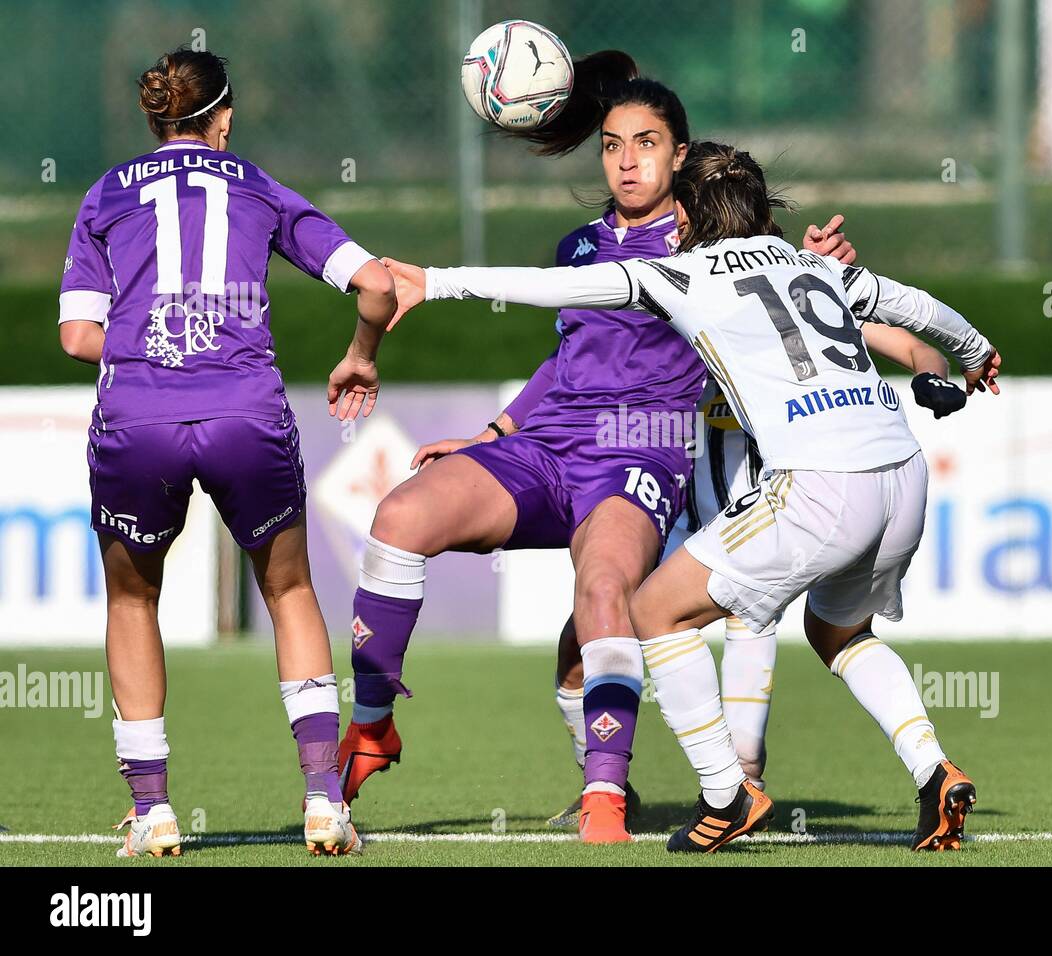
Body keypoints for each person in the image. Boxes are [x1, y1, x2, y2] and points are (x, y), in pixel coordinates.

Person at [381, 140, 1001, 853]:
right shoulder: (817, 267)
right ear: (763, 210)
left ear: (683, 213)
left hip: (821, 485)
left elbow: (559, 288)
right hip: (904, 473)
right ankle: (934, 773)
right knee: (840, 633)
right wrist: (977, 352)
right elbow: (913, 306)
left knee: (653, 608)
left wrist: (436, 281)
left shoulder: (680, 272)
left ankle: (725, 794)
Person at [340, 53, 854, 843]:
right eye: (612, 145)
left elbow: (786, 293)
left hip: (640, 451)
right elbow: (564, 359)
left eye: (646, 143)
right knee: (401, 515)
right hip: (546, 444)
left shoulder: (711, 240)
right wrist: (492, 434)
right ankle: (374, 723)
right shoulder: (578, 246)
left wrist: (821, 265)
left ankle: (606, 801)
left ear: (681, 156)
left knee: (603, 595)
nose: (626, 160)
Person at [58, 48, 395, 857]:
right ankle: (323, 802)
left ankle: (154, 812)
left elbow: (76, 338)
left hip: (138, 417)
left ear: (153, 121)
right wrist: (361, 353)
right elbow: (377, 282)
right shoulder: (259, 186)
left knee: (134, 602)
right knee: (288, 591)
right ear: (225, 117)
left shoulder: (105, 193)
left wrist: (153, 351)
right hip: (247, 411)